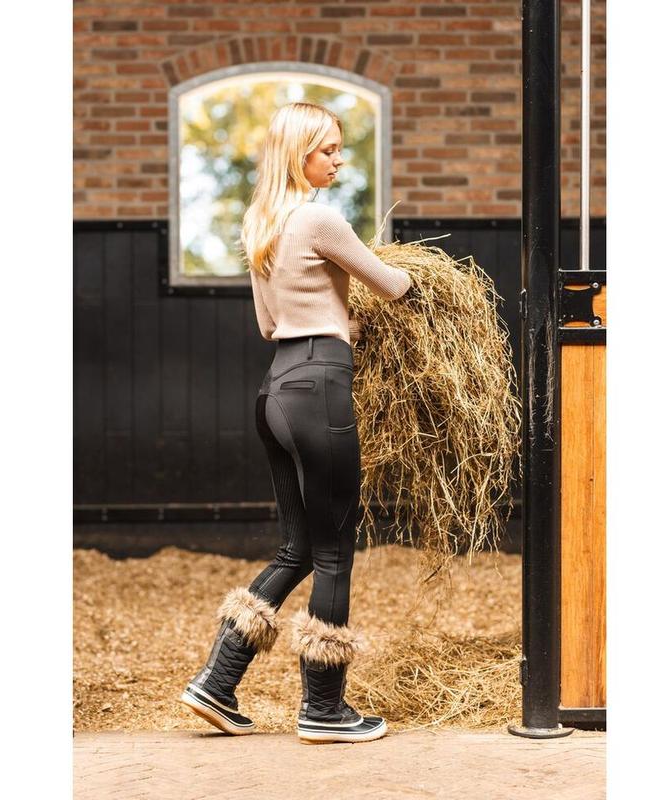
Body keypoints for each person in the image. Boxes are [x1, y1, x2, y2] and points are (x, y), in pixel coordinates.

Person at [179, 102, 411, 744]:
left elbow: (270, 324)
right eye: (328, 149)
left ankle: (216, 682)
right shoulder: (317, 217)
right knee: (335, 551)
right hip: (318, 390)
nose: (338, 160)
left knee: (298, 548)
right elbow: (393, 284)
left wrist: (338, 321)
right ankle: (324, 709)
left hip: (277, 389)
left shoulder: (263, 223)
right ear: (298, 153)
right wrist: (416, 285)